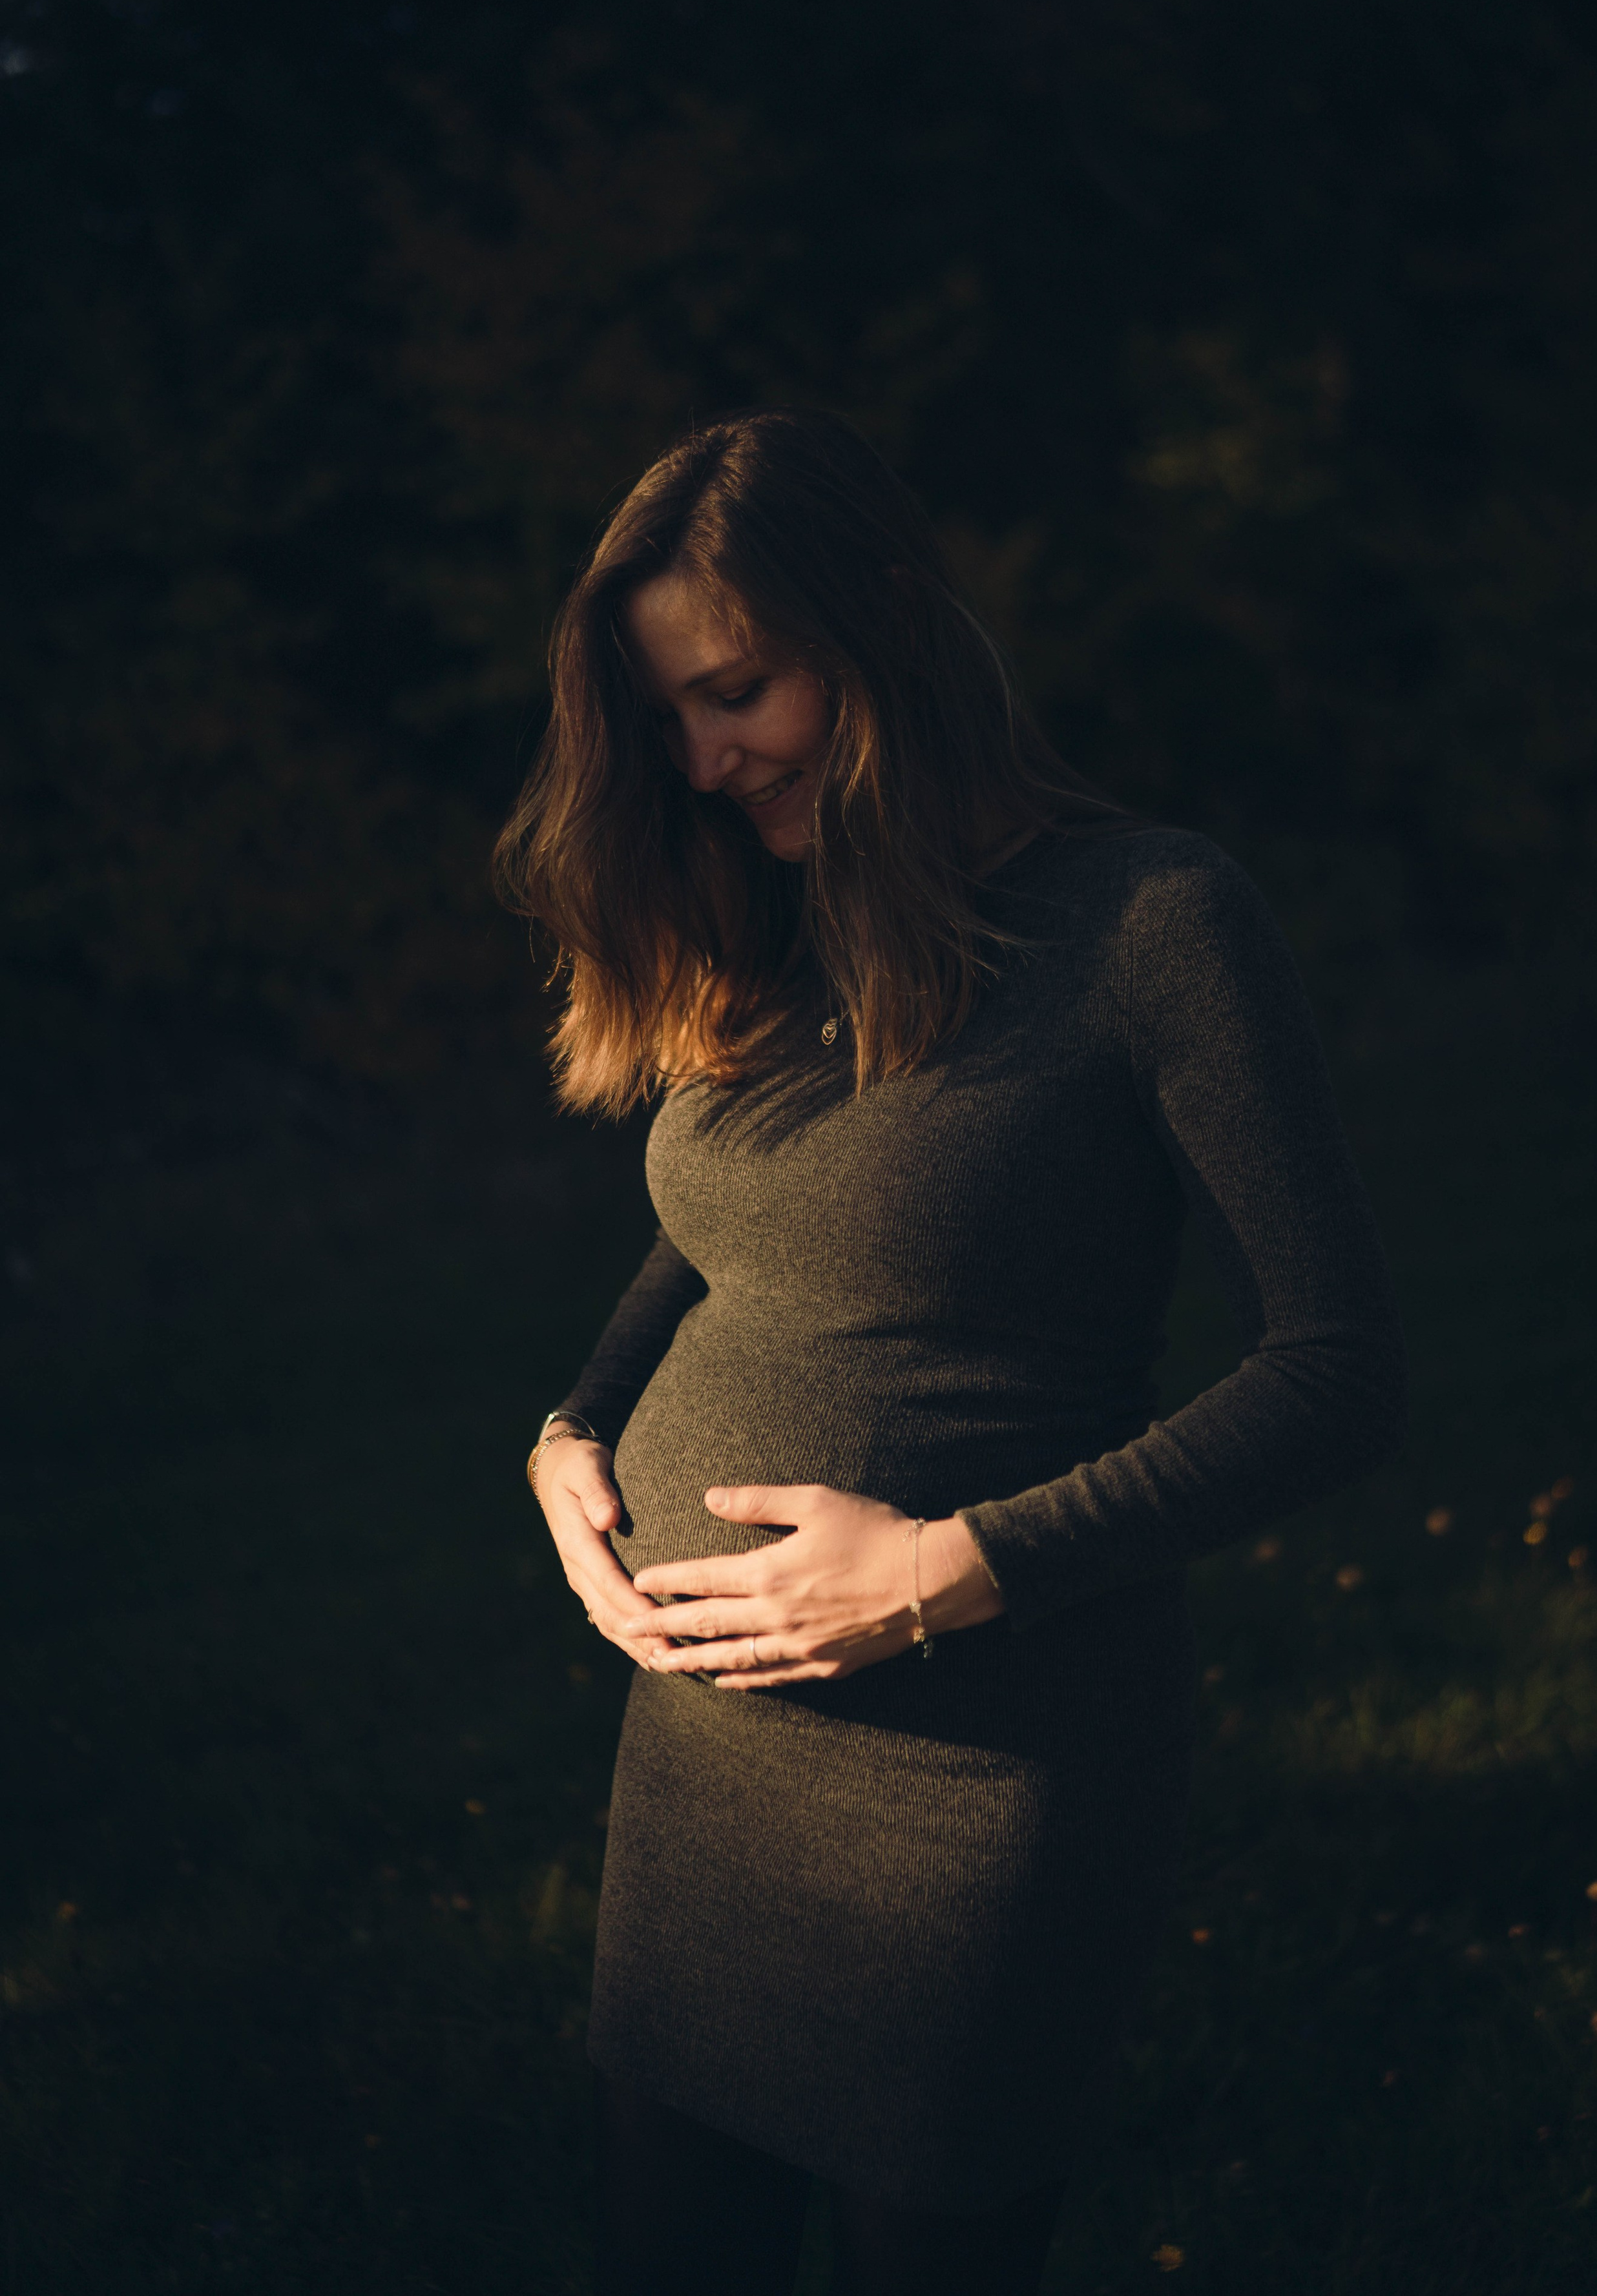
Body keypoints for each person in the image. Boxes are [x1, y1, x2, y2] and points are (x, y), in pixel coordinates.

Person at [498, 408, 1406, 2296]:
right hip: (700, 1772)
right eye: (668, 717)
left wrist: (944, 1574)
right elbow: (721, 1223)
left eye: (734, 690)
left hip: (979, 1784)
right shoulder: (797, 910)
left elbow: (1335, 1369)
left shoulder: (1153, 919)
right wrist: (578, 1427)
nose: (702, 756)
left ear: (887, 625)